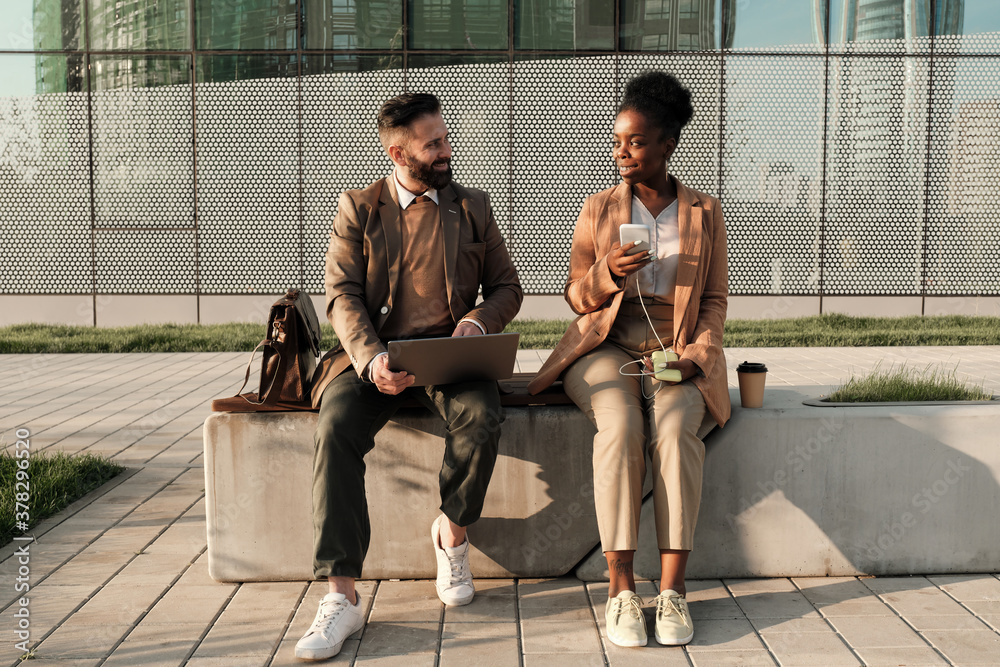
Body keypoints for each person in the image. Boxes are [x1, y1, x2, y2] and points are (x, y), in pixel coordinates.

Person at [296, 92, 522, 661]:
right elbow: (342, 294)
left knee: (483, 416)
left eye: (445, 139)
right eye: (434, 144)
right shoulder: (358, 208)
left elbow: (506, 288)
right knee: (336, 427)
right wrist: (372, 359)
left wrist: (476, 321)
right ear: (399, 153)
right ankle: (341, 596)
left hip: (451, 356)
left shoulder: (473, 206)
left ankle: (451, 533)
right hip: (376, 359)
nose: (447, 151)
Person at [527, 71, 730, 648]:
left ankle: (672, 593)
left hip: (676, 348)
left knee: (673, 428)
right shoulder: (598, 209)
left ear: (667, 144)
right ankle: (620, 591)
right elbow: (574, 296)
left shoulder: (704, 212)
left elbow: (713, 300)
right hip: (606, 346)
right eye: (617, 141)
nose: (621, 153)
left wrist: (696, 357)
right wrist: (606, 274)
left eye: (635, 142)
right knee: (618, 426)